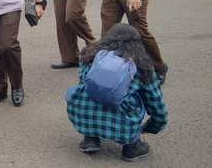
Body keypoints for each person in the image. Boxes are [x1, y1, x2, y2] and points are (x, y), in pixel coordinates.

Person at [66, 23, 168, 162]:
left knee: (77, 91)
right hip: (124, 120)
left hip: (84, 113)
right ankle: (131, 146)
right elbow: (156, 105)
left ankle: (90, 138)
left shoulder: (89, 55)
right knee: (138, 98)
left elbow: (84, 85)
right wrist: (150, 127)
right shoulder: (142, 65)